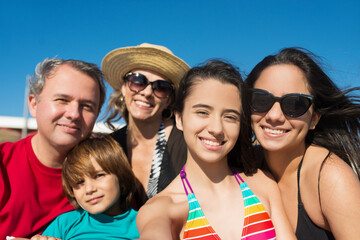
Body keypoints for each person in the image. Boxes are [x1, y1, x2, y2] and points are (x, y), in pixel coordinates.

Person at [137, 60, 296, 239]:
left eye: (230, 116)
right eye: (203, 112)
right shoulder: (162, 208)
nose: (217, 128)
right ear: (179, 118)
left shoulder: (263, 183)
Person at [245, 47, 360, 239]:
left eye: (295, 104)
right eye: (261, 99)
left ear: (314, 118)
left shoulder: (330, 178)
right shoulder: (247, 166)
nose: (274, 116)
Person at [0, 58, 106, 239]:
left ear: (96, 115)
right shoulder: (3, 163)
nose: (73, 114)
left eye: (87, 106)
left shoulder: (108, 177)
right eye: (62, 100)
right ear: (34, 104)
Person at [101, 43, 190, 206]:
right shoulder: (108, 146)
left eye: (161, 87)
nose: (147, 92)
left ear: (169, 99)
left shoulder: (187, 142)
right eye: (138, 81)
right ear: (124, 87)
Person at [30, 135, 139, 240]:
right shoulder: (65, 223)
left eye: (99, 176)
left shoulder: (141, 223)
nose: (89, 189)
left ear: (121, 176)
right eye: (79, 182)